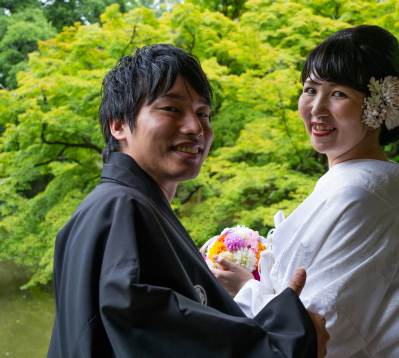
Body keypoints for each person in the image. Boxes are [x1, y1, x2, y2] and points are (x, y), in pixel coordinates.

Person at [48, 44, 329, 357]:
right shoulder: (120, 208)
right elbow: (148, 333)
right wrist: (292, 336)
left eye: (203, 113)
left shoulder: (126, 207)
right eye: (171, 109)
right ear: (118, 125)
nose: (196, 128)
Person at [211, 25, 399, 357]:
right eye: (310, 90)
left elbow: (320, 333)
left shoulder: (357, 198)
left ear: (381, 107)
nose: (316, 108)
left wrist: (247, 289)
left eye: (338, 93)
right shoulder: (363, 195)